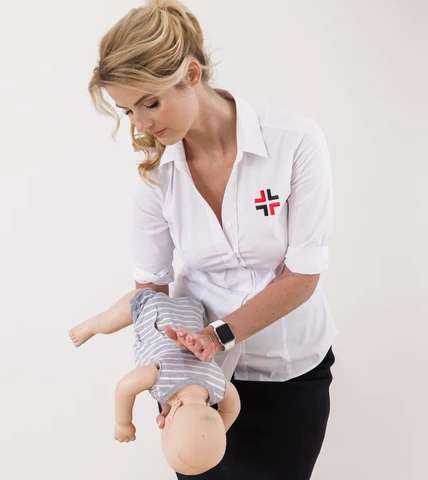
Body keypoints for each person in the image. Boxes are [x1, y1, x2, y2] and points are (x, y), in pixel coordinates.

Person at [86, 1, 337, 479]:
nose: (140, 124)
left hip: (291, 371)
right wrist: (164, 371)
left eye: (150, 102)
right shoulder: (156, 177)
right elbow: (151, 293)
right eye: (128, 110)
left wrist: (218, 334)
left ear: (191, 74)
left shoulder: (295, 142)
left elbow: (302, 275)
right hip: (198, 385)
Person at [68, 288, 241, 476]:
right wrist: (123, 423)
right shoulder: (161, 376)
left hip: (194, 310)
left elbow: (233, 408)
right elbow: (124, 388)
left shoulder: (217, 384)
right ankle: (90, 326)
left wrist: (216, 429)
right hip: (151, 308)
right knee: (106, 323)